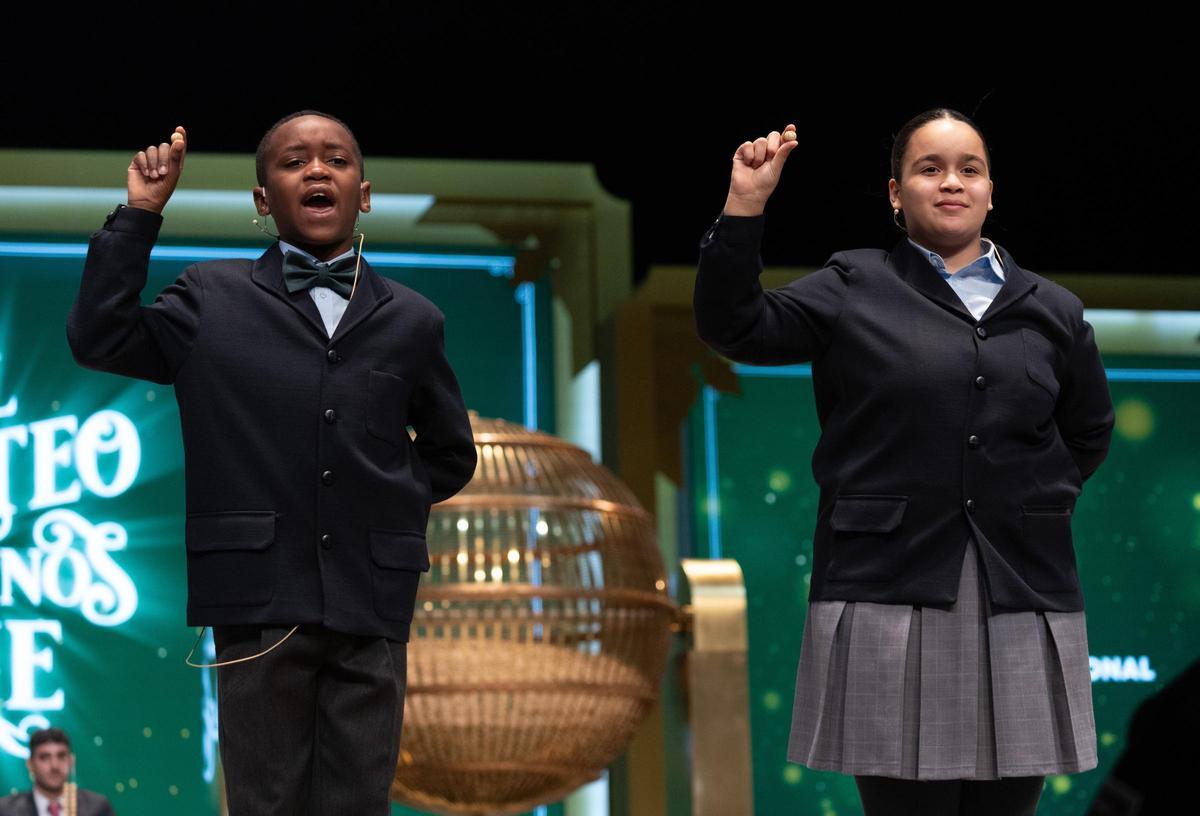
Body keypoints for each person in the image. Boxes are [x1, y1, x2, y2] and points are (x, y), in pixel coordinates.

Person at [693, 110, 1114, 816]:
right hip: (887, 585)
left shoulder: (1055, 309)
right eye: (929, 168)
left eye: (969, 169)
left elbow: (1088, 430)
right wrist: (745, 207)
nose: (951, 182)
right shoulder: (854, 282)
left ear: (990, 191)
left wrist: (1029, 500)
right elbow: (735, 326)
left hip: (1021, 587)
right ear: (896, 193)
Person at [66, 112, 477, 814]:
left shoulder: (413, 319)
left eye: (336, 160)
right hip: (256, 599)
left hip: (369, 601)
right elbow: (100, 336)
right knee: (266, 802)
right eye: (294, 161)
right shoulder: (210, 298)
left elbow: (450, 453)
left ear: (364, 193)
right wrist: (140, 214)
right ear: (262, 199)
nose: (317, 170)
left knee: (358, 803)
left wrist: (377, 509)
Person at [0, 728, 115, 816]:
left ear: (71, 761)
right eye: (45, 757)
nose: (54, 766)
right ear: (30, 764)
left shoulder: (97, 807)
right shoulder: (5, 810)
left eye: (61, 756)